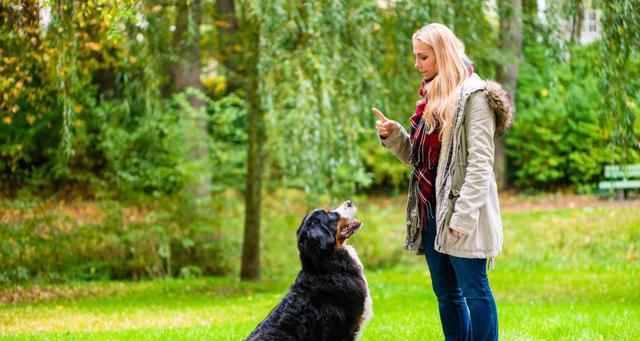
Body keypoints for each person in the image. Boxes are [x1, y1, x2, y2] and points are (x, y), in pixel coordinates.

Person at [373, 23, 512, 341]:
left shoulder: (474, 97)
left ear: (443, 55)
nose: (416, 64)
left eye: (423, 57)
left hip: (463, 213)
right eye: (415, 57)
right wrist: (395, 136)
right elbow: (422, 161)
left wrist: (463, 217)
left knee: (474, 291)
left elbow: (480, 165)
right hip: (430, 211)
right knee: (447, 294)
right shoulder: (431, 97)